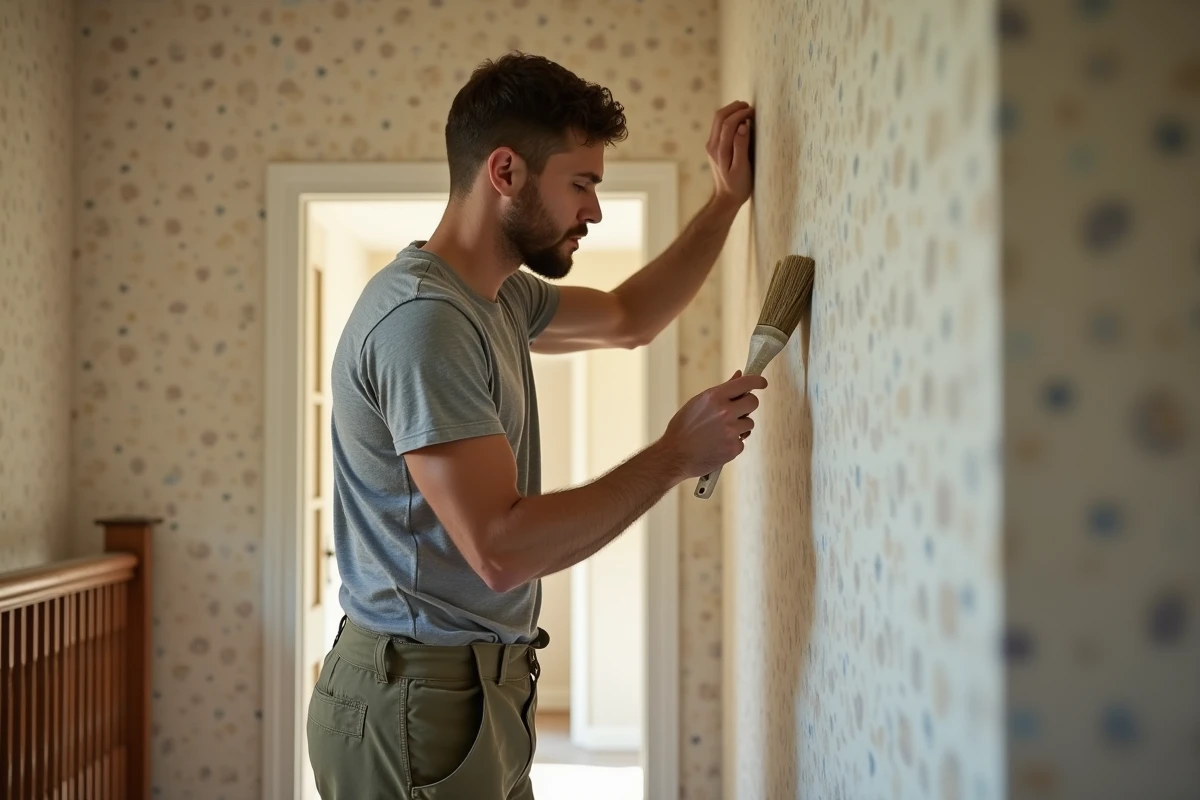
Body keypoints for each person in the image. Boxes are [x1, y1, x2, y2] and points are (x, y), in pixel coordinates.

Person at [306, 52, 763, 800]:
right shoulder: (425, 322)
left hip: (475, 686)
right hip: (417, 701)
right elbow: (502, 549)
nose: (595, 210)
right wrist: (676, 456)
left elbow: (628, 318)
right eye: (581, 184)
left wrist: (724, 203)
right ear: (507, 172)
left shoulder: (498, 299)